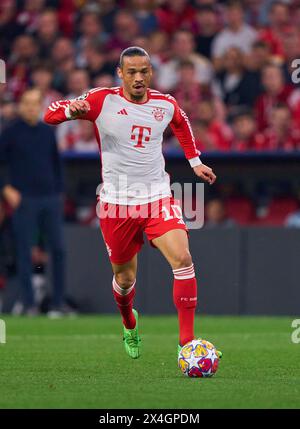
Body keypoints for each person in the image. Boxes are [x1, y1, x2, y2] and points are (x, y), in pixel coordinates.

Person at [44, 46, 222, 361]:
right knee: (125, 280)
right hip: (116, 203)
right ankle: (129, 321)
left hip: (157, 196)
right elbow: (49, 114)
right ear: (120, 73)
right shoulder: (101, 100)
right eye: (132, 72)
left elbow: (181, 124)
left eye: (144, 71)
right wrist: (72, 110)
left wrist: (194, 161)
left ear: (150, 72)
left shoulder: (164, 104)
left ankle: (187, 344)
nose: (139, 78)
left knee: (182, 258)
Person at [0, 88, 65, 316]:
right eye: (26, 103)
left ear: (40, 106)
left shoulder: (48, 133)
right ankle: (29, 304)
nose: (30, 107)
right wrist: (6, 188)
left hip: (50, 198)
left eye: (35, 103)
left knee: (58, 250)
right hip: (24, 199)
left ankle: (58, 303)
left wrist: (59, 193)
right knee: (24, 251)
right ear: (20, 105)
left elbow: (56, 164)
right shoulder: (9, 132)